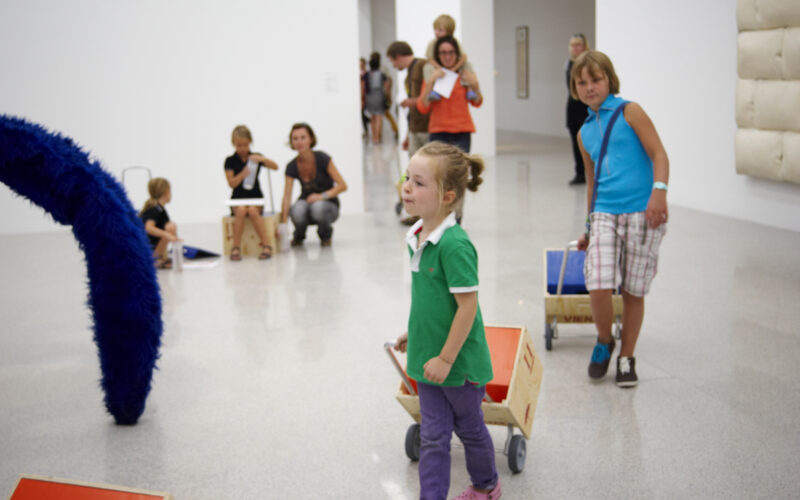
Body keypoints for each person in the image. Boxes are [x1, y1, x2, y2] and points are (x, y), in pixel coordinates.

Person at [393, 142, 500, 500]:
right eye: (409, 177)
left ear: (447, 195)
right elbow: (431, 300)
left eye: (419, 183)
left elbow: (467, 308)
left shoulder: (455, 245)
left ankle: (486, 485)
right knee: (433, 436)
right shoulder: (417, 235)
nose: (407, 186)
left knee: (470, 429)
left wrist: (447, 358)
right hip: (427, 358)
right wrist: (416, 332)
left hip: (458, 364)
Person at [572, 50, 669, 388]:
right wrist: (588, 224)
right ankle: (604, 340)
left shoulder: (631, 111)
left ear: (609, 80)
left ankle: (627, 356)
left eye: (595, 80)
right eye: (581, 82)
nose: (589, 87)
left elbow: (659, 153)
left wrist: (659, 192)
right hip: (604, 212)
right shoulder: (584, 132)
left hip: (642, 211)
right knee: (597, 282)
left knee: (632, 290)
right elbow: (591, 180)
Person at [281, 123, 347, 247]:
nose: (299, 142)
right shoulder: (291, 166)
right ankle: (299, 235)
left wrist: (321, 196)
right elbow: (286, 197)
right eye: (295, 138)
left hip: (328, 205)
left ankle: (325, 235)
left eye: (303, 137)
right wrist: (283, 225)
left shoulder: (323, 158)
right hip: (307, 205)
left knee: (318, 207)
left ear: (311, 139)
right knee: (297, 210)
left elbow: (343, 185)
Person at [417, 36, 483, 154]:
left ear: (457, 53)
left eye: (451, 52)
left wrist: (475, 85)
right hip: (438, 132)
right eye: (443, 53)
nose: (447, 57)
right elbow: (423, 107)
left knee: (460, 169)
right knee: (438, 171)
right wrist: (431, 82)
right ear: (437, 55)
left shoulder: (464, 73)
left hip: (462, 131)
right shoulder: (433, 74)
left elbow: (477, 102)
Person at [224, 125, 279, 261]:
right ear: (234, 144)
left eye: (245, 145)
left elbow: (275, 167)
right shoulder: (230, 161)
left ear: (250, 143)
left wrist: (263, 160)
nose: (242, 148)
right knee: (242, 211)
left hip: (255, 197)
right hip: (238, 199)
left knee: (253, 211)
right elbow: (231, 183)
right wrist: (243, 174)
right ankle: (236, 247)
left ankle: (266, 245)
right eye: (239, 145)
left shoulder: (255, 157)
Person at [387, 41, 431, 156]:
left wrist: (411, 102)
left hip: (428, 127)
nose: (393, 65)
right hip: (415, 128)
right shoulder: (409, 75)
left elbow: (432, 93)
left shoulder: (423, 65)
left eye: (392, 61)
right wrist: (408, 135)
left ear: (398, 56)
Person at [423, 14, 476, 101]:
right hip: (439, 69)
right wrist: (439, 68)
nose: (437, 32)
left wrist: (454, 68)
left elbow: (463, 57)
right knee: (427, 68)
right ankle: (434, 91)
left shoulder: (455, 42)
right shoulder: (432, 43)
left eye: (440, 30)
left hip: (454, 68)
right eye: (435, 29)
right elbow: (430, 59)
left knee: (467, 65)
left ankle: (469, 89)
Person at [139, 177, 180, 270]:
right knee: (170, 228)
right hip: (145, 247)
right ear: (166, 191)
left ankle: (159, 257)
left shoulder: (159, 208)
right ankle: (154, 259)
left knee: (170, 226)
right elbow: (148, 227)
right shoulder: (155, 209)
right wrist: (167, 235)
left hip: (148, 245)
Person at [565, 34, 591, 185]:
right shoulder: (568, 64)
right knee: (576, 142)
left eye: (578, 44)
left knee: (588, 142)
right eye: (572, 45)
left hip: (585, 108)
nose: (575, 48)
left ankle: (591, 173)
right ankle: (580, 173)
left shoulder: (589, 63)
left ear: (584, 45)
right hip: (572, 108)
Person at [362, 53, 392, 144]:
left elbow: (362, 87)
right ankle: (377, 138)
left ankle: (374, 136)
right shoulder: (381, 74)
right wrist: (388, 96)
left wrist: (362, 98)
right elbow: (387, 85)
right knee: (379, 116)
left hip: (369, 96)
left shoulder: (366, 75)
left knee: (372, 117)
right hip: (379, 96)